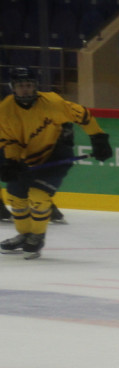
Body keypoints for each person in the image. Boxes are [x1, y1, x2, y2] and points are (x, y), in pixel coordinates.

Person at [0, 67, 112, 259]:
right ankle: (24, 234)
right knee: (15, 197)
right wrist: (12, 160)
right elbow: (9, 140)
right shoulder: (5, 110)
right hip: (28, 158)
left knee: (38, 196)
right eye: (21, 86)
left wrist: (98, 138)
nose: (25, 90)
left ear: (35, 86)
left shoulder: (52, 102)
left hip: (55, 155)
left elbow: (82, 115)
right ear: (13, 88)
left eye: (29, 85)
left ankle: (37, 235)